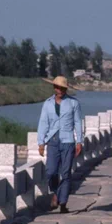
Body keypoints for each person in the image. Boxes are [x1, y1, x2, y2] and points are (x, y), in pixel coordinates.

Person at [37, 76, 83, 214]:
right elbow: (43, 123)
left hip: (68, 140)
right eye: (57, 87)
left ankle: (63, 202)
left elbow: (78, 123)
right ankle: (57, 194)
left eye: (62, 88)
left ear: (66, 89)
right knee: (51, 171)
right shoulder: (47, 103)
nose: (60, 90)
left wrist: (79, 141)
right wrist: (41, 142)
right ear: (54, 88)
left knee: (66, 173)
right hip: (52, 140)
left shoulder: (73, 103)